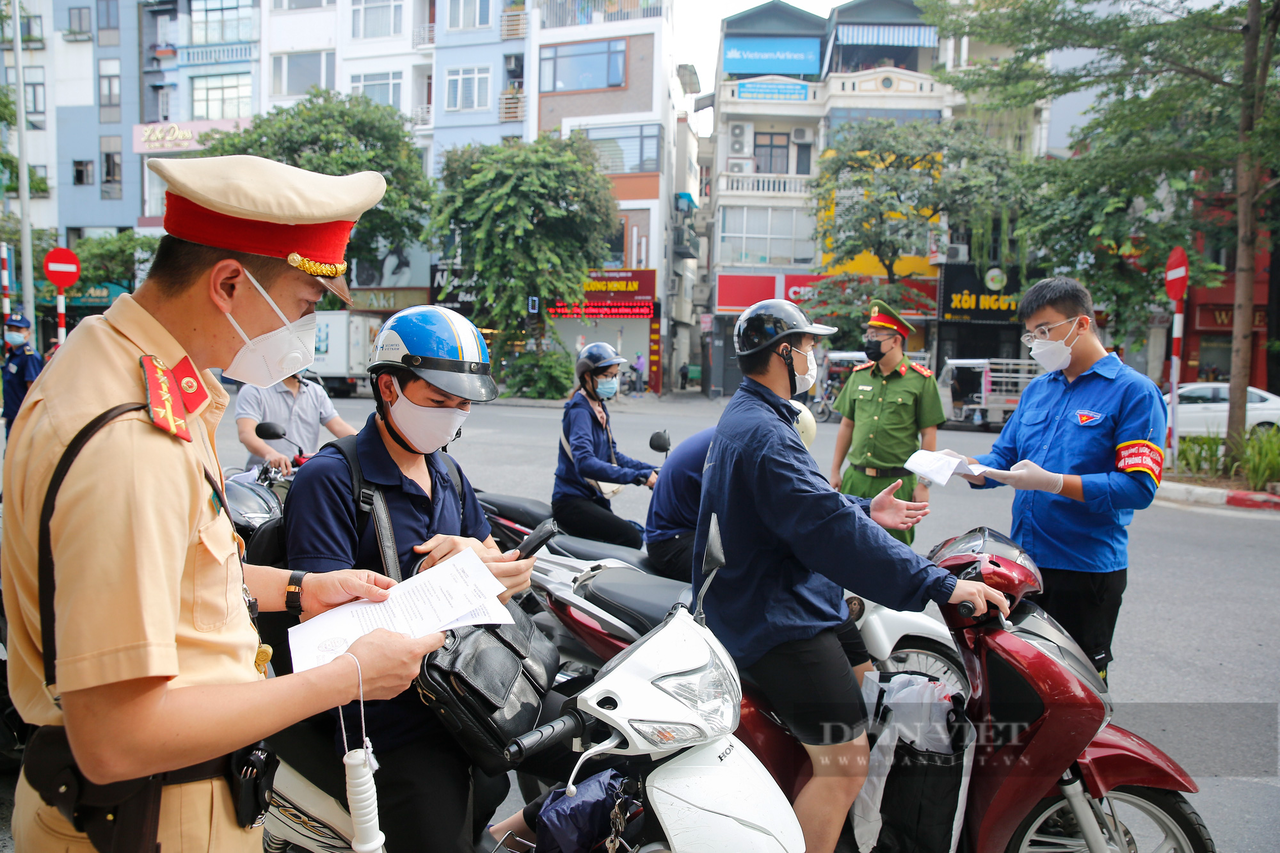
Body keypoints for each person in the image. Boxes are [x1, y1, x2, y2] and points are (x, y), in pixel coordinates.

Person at [0, 154, 446, 852]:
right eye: (302, 307)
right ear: (230, 283)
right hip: (146, 819)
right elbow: (116, 740)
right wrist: (348, 676)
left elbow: (178, 579)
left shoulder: (109, 363)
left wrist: (304, 589)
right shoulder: (133, 439)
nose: (305, 333)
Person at [693, 299, 1007, 853]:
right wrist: (941, 585)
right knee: (846, 764)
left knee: (863, 674)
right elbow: (826, 527)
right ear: (784, 353)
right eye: (809, 348)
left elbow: (806, 508)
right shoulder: (766, 433)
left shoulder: (756, 417)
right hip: (775, 617)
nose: (815, 358)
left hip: (776, 595)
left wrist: (865, 509)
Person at [284, 304, 535, 853]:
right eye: (439, 400)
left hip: (467, 689)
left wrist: (492, 566)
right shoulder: (331, 480)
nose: (452, 415)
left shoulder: (446, 469)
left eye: (463, 403)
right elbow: (324, 626)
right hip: (389, 719)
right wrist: (429, 577)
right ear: (389, 388)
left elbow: (483, 550)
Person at [945, 276, 1166, 682]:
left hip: (1084, 570)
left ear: (1082, 324)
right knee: (1022, 681)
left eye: (1045, 330)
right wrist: (965, 467)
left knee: (1078, 686)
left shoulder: (1133, 392)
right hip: (1024, 565)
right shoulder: (1039, 390)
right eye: (1031, 335)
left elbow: (1138, 488)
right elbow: (1004, 459)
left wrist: (1055, 483)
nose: (1037, 342)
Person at [829, 300, 945, 545]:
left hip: (898, 482)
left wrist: (924, 483)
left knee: (894, 553)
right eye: (868, 335)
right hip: (856, 479)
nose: (869, 341)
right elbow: (847, 425)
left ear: (895, 340)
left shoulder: (921, 380)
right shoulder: (859, 376)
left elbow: (929, 435)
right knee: (848, 549)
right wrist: (835, 470)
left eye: (875, 335)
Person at [553, 342, 657, 549]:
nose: (613, 381)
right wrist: (639, 477)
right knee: (631, 537)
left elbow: (613, 454)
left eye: (615, 375)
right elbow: (585, 463)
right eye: (608, 376)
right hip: (572, 501)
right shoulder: (580, 411)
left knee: (635, 531)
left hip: (593, 497)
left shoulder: (598, 406)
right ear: (587, 377)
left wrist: (650, 469)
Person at [236, 371, 357, 472]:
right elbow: (246, 433)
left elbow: (338, 426)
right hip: (270, 475)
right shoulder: (254, 390)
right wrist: (270, 454)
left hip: (305, 472)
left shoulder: (315, 391)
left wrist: (366, 443)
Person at [644, 426, 714, 580]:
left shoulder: (729, 434)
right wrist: (635, 473)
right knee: (740, 576)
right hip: (671, 541)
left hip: (690, 530)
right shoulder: (736, 443)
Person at [3, 312, 43, 439]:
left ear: (28, 333)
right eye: (10, 329)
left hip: (23, 417)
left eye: (18, 330)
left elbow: (32, 388)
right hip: (12, 414)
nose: (13, 332)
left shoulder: (29, 356)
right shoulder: (12, 355)